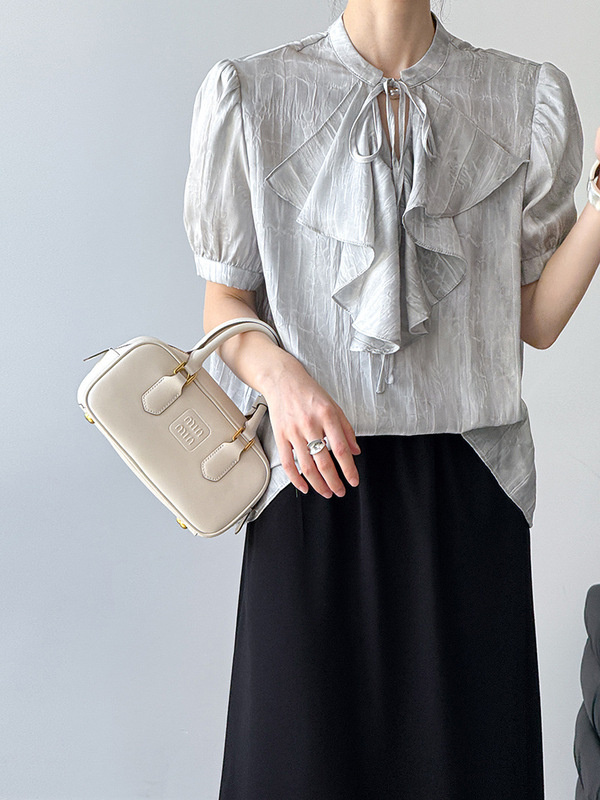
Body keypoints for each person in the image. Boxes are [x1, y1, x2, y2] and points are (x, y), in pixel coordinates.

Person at [183, 1, 600, 797]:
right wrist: (283, 379)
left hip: (470, 488)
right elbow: (223, 304)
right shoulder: (253, 92)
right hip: (306, 478)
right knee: (298, 769)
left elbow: (535, 320)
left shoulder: (524, 95)